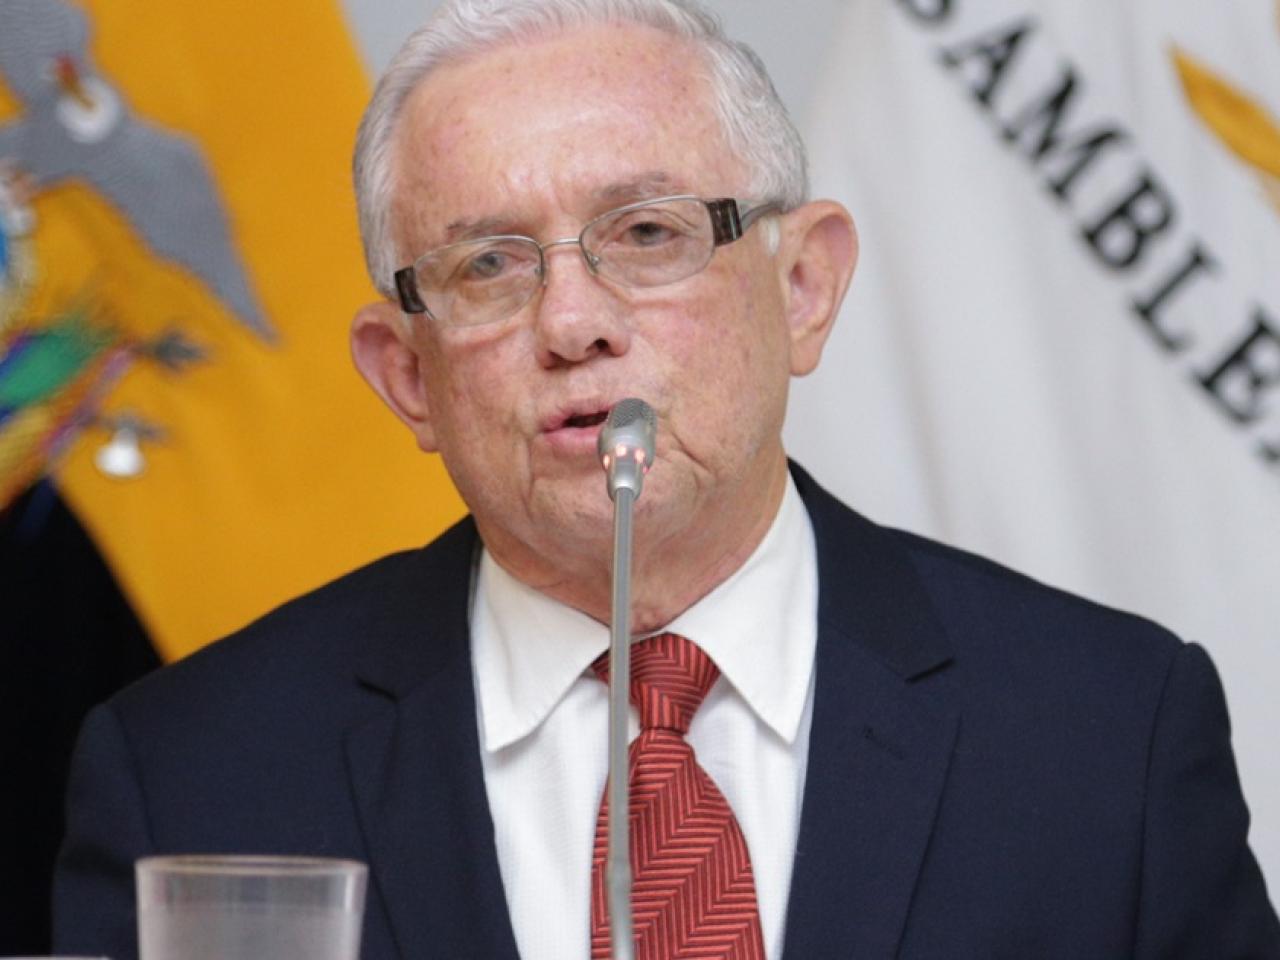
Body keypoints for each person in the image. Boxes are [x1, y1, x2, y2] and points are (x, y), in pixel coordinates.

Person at [53, 1, 1280, 957]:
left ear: (802, 289)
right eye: (488, 266)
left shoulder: (1104, 736)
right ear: (406, 378)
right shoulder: (194, 775)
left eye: (646, 234)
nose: (571, 322)